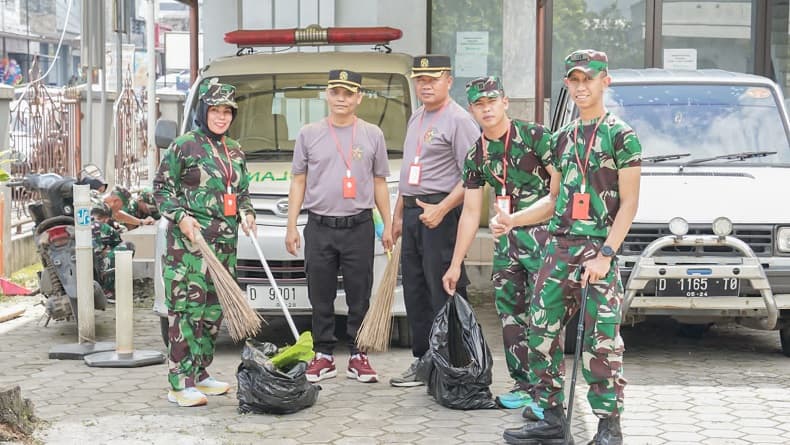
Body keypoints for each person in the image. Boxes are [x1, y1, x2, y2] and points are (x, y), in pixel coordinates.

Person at [499, 50, 641, 445]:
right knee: (539, 333)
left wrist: (606, 255)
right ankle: (551, 420)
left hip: (599, 249)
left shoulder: (621, 135)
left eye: (589, 79)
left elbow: (629, 203)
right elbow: (554, 199)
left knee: (601, 341)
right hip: (559, 247)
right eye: (574, 80)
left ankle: (609, 426)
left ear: (604, 81)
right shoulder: (560, 138)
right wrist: (515, 219)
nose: (581, 87)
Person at [441, 76, 554, 411]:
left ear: (505, 102)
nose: (486, 108)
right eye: (479, 104)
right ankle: (523, 385)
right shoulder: (477, 153)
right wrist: (455, 263)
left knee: (544, 316)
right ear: (472, 109)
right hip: (507, 244)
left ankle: (547, 393)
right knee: (510, 314)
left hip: (544, 239)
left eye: (492, 101)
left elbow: (558, 191)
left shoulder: (535, 136)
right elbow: (470, 212)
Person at [285, 69, 392, 384]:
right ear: (327, 95)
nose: (341, 99)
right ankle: (324, 355)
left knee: (360, 294)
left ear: (359, 97)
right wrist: (291, 225)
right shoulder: (309, 133)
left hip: (358, 225)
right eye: (336, 93)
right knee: (321, 294)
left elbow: (379, 182)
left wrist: (387, 225)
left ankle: (359, 355)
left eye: (348, 93)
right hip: (319, 226)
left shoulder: (373, 134)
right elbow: (299, 180)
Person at [154, 79, 256, 407]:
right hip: (190, 248)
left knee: (212, 312)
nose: (222, 117)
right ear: (203, 111)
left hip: (225, 245)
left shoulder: (235, 150)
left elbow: (241, 193)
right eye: (215, 110)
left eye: (227, 111)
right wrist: (181, 218)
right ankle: (179, 382)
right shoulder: (184, 145)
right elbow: (161, 189)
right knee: (186, 311)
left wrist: (247, 212)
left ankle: (200, 373)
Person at [389, 55, 481, 387]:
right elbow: (408, 173)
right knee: (415, 290)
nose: (425, 85)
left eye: (433, 79)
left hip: (441, 215)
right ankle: (424, 360)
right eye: (420, 80)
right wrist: (398, 214)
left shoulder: (459, 120)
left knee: (443, 288)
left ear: (448, 81)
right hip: (414, 214)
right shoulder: (417, 116)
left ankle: (452, 362)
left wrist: (442, 208)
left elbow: (473, 176)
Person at [90, 201, 132, 300]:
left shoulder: (79, 225)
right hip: (98, 271)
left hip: (80, 272)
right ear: (106, 218)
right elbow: (118, 244)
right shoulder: (105, 227)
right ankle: (108, 290)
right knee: (127, 247)